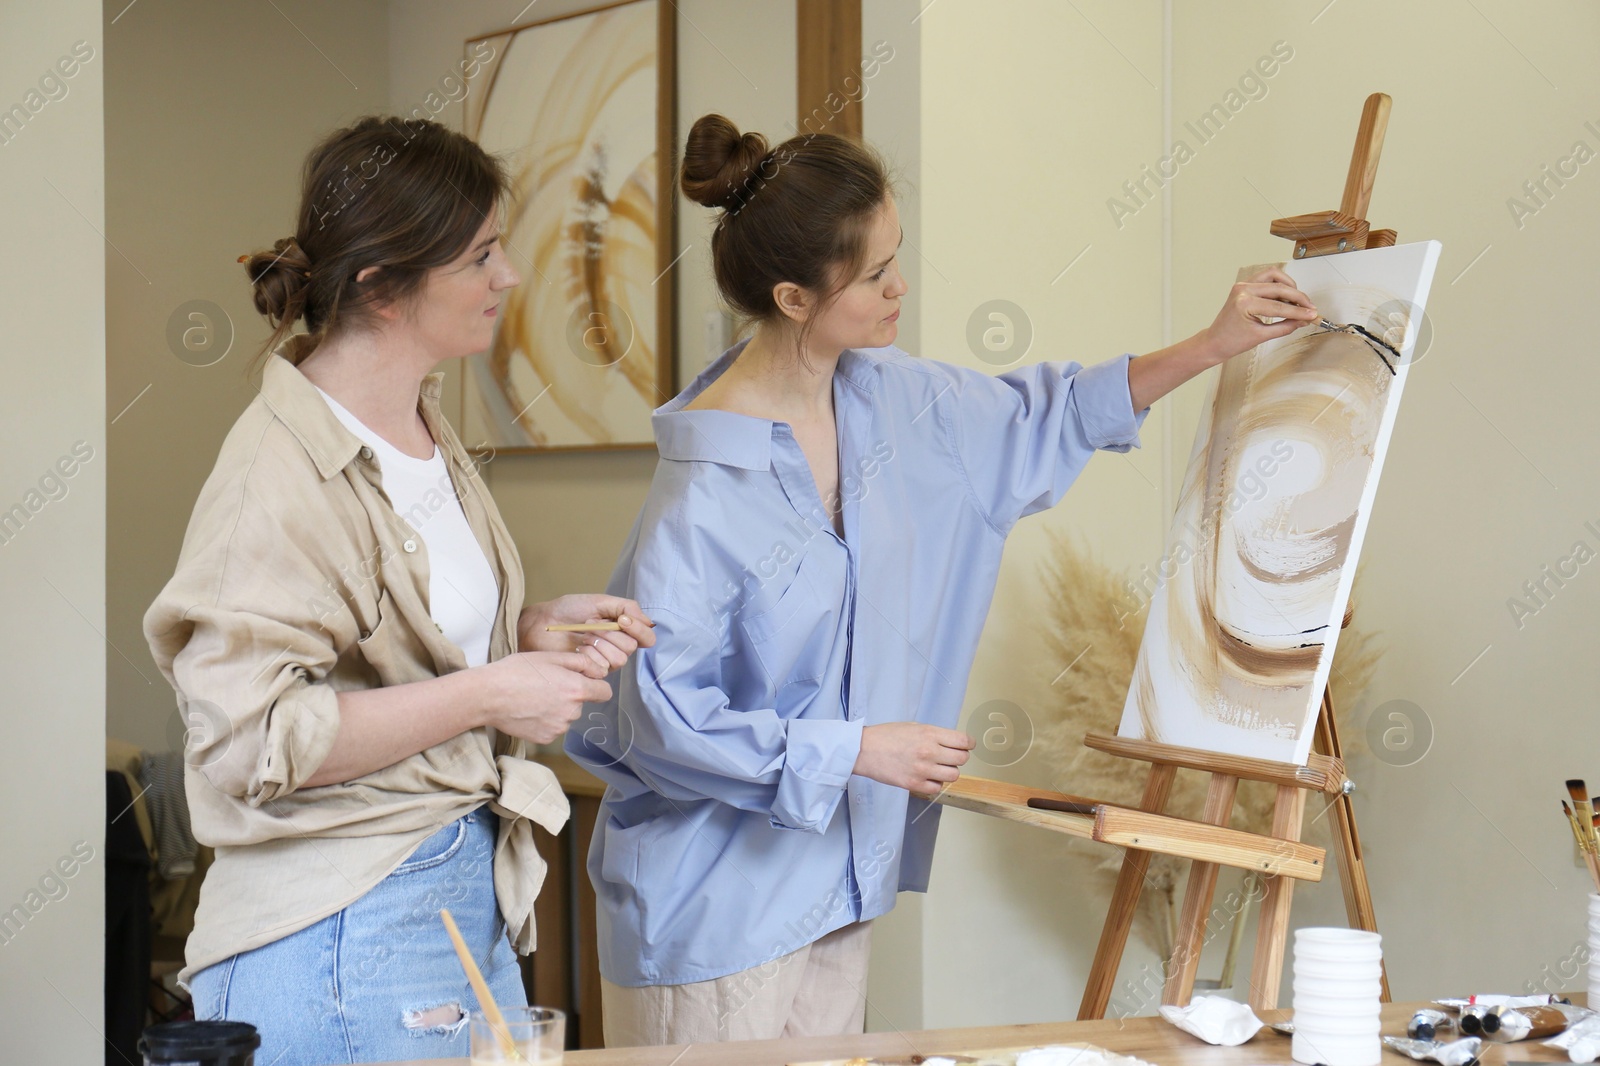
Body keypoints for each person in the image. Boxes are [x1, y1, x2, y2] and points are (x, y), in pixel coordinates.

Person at [565, 113, 1320, 1046]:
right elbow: (660, 717)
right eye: (875, 275)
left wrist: (1212, 345)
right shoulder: (704, 493)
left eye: (897, 257)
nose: (900, 287)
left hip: (842, 875)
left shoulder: (894, 399)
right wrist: (856, 751)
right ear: (796, 297)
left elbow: (1044, 413)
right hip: (714, 905)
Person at [143, 115, 655, 1066]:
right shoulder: (275, 476)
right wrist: (489, 692)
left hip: (450, 895)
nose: (508, 277)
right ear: (381, 285)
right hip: (345, 926)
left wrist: (524, 635)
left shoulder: (417, 428)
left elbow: (383, 658)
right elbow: (247, 739)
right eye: (480, 256)